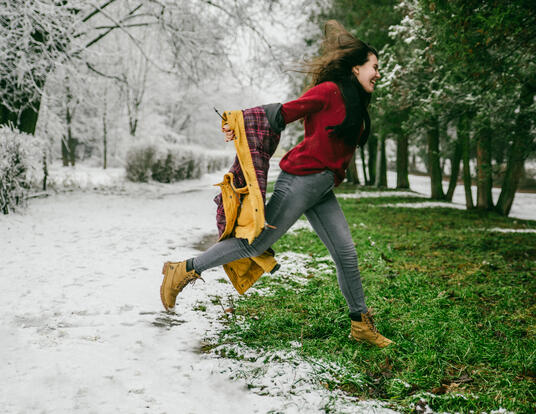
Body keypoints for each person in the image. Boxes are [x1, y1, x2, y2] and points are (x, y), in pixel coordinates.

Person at [160, 20, 393, 348]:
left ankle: (360, 325)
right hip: (301, 179)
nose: (378, 74)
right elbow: (284, 112)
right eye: (375, 67)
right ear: (356, 68)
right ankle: (182, 269)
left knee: (346, 253)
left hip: (321, 186)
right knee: (254, 243)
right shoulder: (329, 91)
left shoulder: (354, 100)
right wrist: (239, 123)